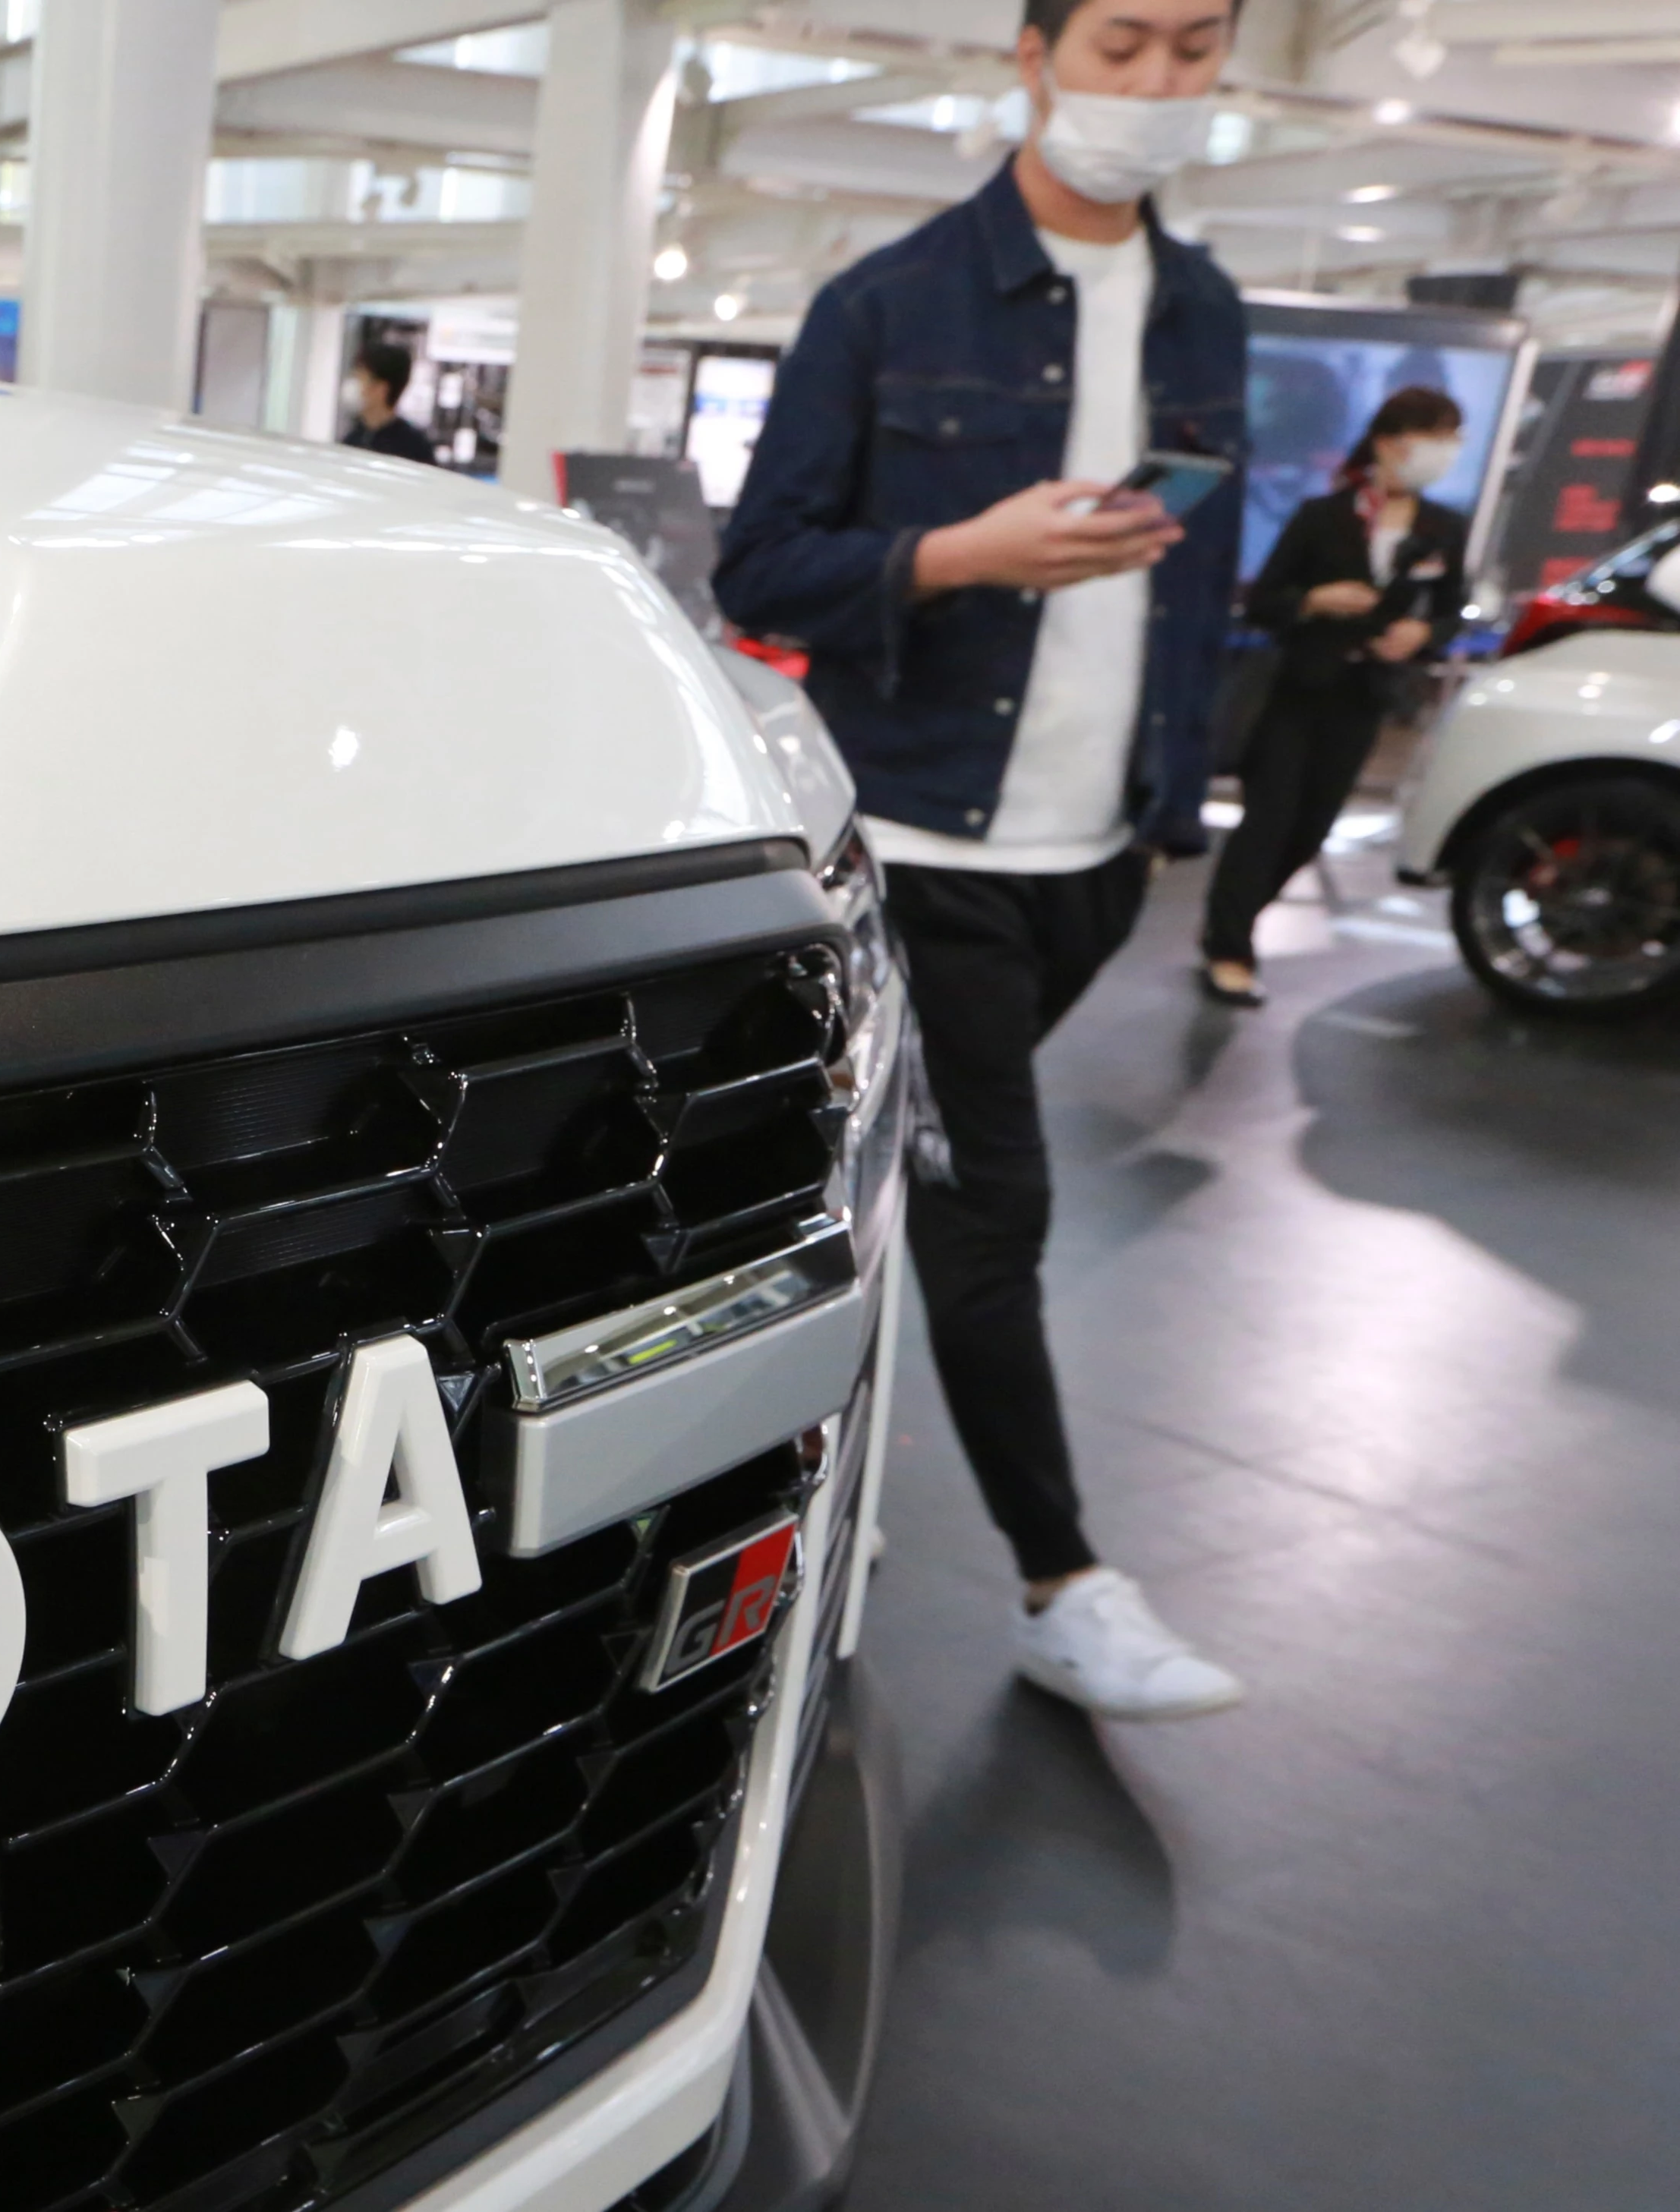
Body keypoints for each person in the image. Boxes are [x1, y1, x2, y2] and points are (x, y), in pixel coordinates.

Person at [714, 0, 1250, 1721]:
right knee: (986, 1203)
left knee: (891, 1184)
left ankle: (814, 1475)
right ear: (1030, 50)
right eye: (1120, 42)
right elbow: (762, 571)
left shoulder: (1204, 310)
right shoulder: (885, 304)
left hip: (1098, 858)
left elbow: (1186, 581)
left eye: (1191, 49)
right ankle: (1056, 1580)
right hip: (929, 842)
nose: (1152, 86)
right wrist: (956, 553)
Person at [1198, 388, 1470, 1004]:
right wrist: (1314, 602)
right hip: (1297, 687)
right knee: (1267, 819)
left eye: (1451, 439)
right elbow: (1264, 601)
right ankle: (1229, 946)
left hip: (1364, 695)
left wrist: (1423, 631)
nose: (1442, 452)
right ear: (1387, 440)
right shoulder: (1321, 517)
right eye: (1432, 436)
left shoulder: (1443, 528)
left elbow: (1453, 610)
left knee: (1311, 826)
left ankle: (1229, 921)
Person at [343, 342, 439, 465]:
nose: (353, 386)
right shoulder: (353, 439)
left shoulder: (414, 448)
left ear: (381, 388)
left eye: (360, 378)